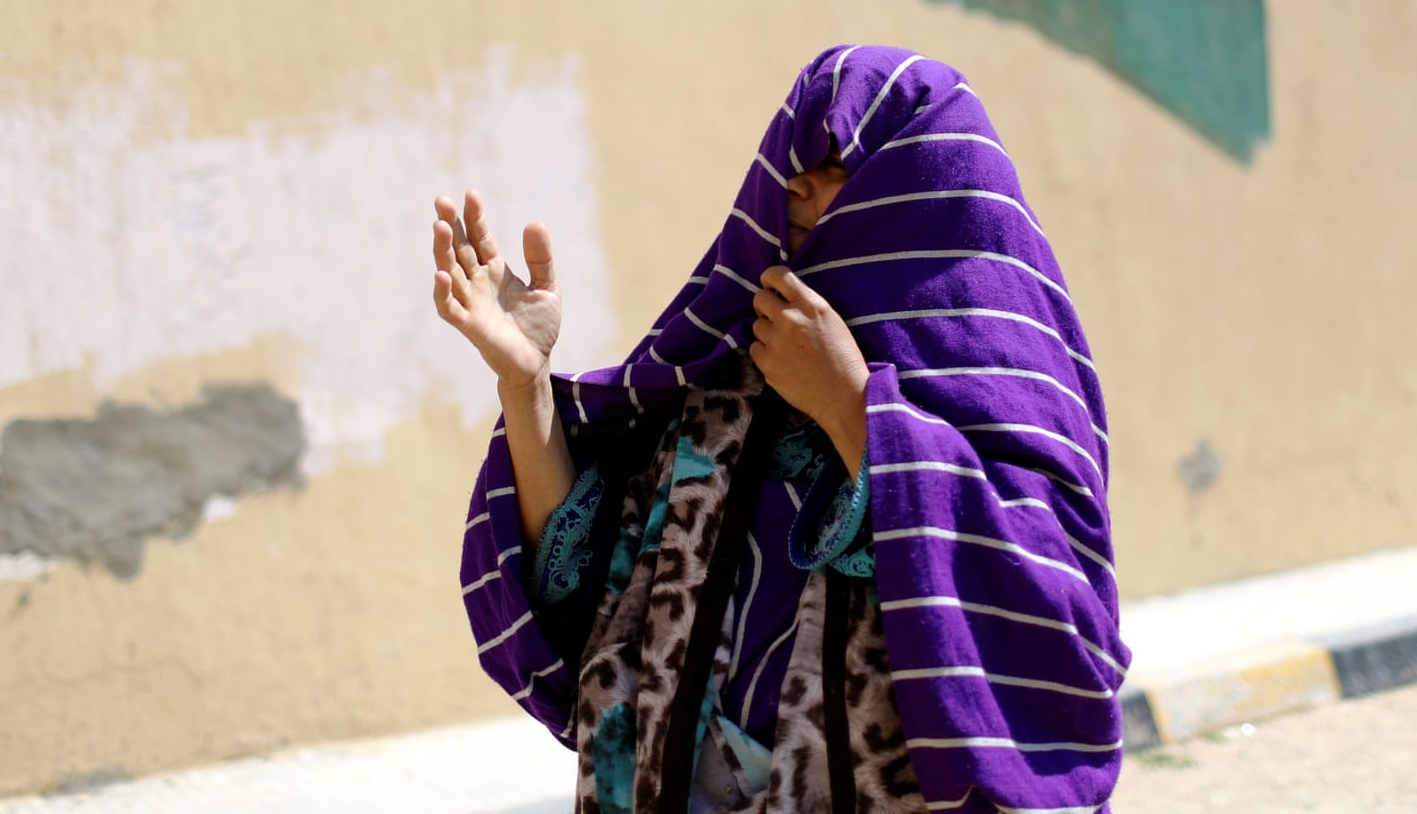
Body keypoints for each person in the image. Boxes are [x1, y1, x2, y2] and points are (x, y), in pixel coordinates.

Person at [438, 47, 1128, 814]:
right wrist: (526, 384)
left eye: (834, 160)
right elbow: (594, 596)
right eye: (792, 156)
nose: (795, 180)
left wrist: (853, 408)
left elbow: (1055, 624)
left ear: (916, 184)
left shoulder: (1008, 386)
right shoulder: (730, 380)